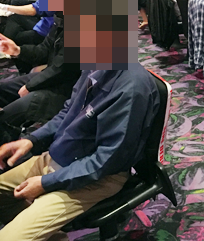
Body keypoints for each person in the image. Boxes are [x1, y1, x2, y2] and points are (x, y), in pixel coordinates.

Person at [0, 65, 159, 240]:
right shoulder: (95, 65)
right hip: (60, 156)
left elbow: (107, 161)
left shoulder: (132, 88)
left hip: (95, 178)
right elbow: (68, 112)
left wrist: (46, 183)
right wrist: (32, 140)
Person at [0, 14, 81, 138]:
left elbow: (64, 69)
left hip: (69, 91)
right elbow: (44, 50)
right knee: (3, 89)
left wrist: (30, 86)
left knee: (5, 117)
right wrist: (18, 50)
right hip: (54, 78)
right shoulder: (61, 18)